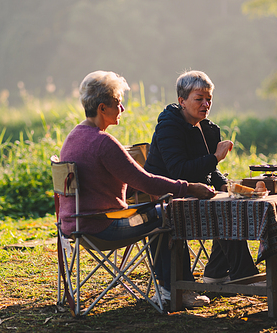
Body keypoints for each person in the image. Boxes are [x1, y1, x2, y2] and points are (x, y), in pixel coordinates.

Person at [58, 70, 215, 307]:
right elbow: (146, 181)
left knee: (156, 211)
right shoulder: (103, 143)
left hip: (75, 224)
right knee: (167, 214)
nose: (121, 109)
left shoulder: (74, 136)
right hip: (102, 226)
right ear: (102, 108)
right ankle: (173, 290)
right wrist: (190, 187)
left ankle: (173, 287)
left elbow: (119, 182)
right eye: (118, 104)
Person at [145, 70, 260, 302]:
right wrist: (215, 157)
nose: (206, 104)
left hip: (196, 196)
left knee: (231, 203)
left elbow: (210, 172)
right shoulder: (169, 126)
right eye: (199, 99)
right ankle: (245, 276)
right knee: (223, 209)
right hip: (167, 197)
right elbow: (179, 171)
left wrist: (227, 186)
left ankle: (217, 273)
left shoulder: (206, 127)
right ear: (182, 101)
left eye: (209, 99)